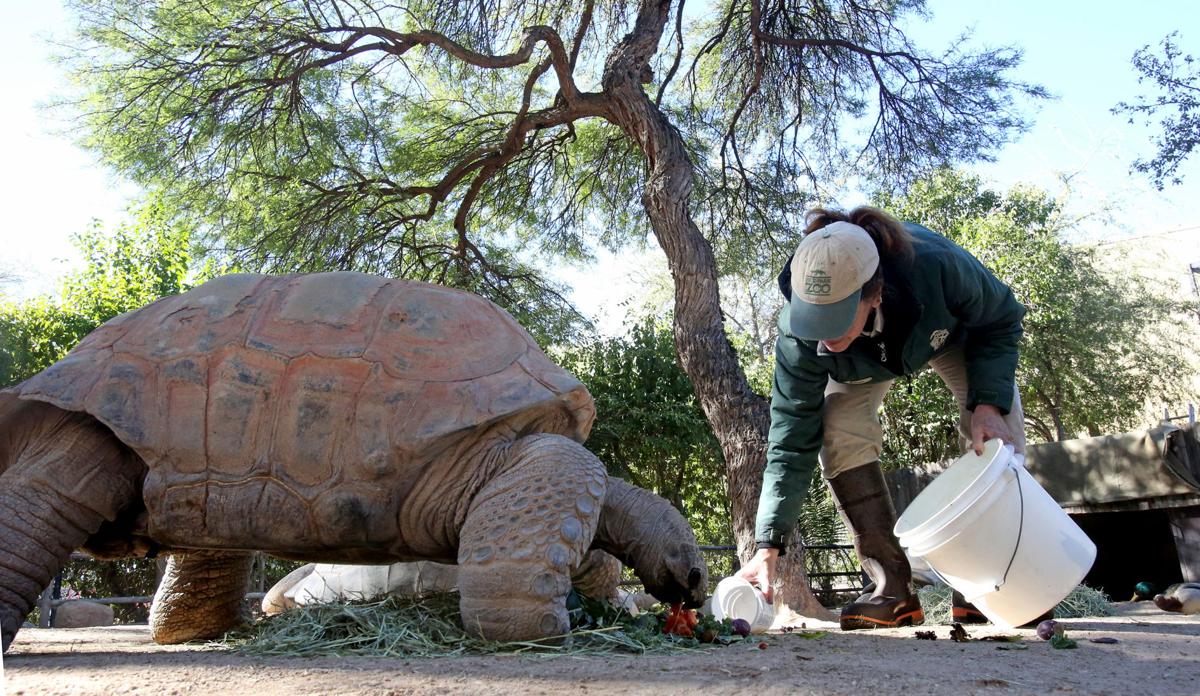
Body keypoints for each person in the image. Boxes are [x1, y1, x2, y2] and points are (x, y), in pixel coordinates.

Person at [737, 206, 1027, 630]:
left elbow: (1001, 320)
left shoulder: (939, 266)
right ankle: (892, 586)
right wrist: (768, 546)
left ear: (875, 293)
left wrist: (988, 403)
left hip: (952, 336)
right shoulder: (804, 339)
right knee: (836, 431)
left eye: (834, 319)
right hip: (861, 363)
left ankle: (989, 580)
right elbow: (790, 438)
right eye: (813, 319)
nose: (823, 335)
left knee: (1000, 434)